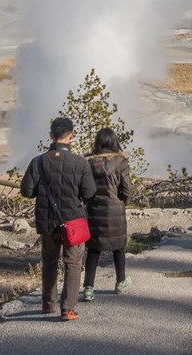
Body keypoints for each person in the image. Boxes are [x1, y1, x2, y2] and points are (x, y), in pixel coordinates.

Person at [20, 117, 95, 321]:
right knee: (73, 263)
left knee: (50, 262)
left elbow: (26, 191)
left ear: (51, 135)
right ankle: (67, 308)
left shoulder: (38, 162)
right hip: (73, 222)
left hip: (47, 221)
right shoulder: (80, 163)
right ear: (72, 135)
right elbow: (89, 193)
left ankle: (48, 304)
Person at [81, 128, 132, 302]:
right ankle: (120, 281)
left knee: (94, 248)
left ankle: (88, 288)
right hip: (115, 209)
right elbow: (126, 188)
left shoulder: (87, 162)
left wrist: (88, 202)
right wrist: (123, 202)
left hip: (94, 209)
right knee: (118, 246)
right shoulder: (120, 161)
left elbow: (83, 188)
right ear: (113, 142)